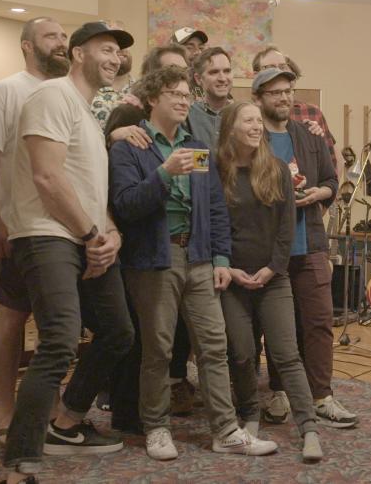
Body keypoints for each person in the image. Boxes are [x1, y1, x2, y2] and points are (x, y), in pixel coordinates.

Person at [108, 66, 277, 460]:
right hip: (154, 259)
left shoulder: (197, 144)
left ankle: (226, 430)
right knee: (159, 350)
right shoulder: (130, 148)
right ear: (153, 99)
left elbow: (215, 207)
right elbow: (126, 205)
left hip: (199, 256)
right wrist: (164, 174)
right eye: (174, 94)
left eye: (186, 94)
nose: (183, 100)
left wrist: (220, 256)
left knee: (215, 346)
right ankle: (157, 428)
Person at [1, 22, 136, 484]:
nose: (115, 58)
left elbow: (91, 191)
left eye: (119, 53)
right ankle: (21, 457)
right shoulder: (52, 96)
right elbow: (47, 178)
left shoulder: (89, 115)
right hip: (47, 235)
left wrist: (110, 232)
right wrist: (91, 235)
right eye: (106, 48)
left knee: (118, 331)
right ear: (77, 53)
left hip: (85, 237)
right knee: (59, 339)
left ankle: (67, 420)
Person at [0, 16, 69, 447]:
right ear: (28, 46)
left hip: (62, 230)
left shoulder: (68, 94)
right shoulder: (4, 92)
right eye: (52, 36)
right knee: (10, 319)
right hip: (15, 227)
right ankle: (5, 410)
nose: (62, 43)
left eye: (65, 37)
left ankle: (50, 406)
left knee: (58, 326)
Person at [216, 101, 324, 462]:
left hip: (272, 278)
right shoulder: (217, 171)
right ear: (230, 128)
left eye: (257, 121)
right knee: (243, 354)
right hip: (231, 280)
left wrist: (273, 268)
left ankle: (309, 428)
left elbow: (285, 227)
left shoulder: (276, 169)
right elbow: (213, 225)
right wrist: (229, 268)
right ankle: (249, 417)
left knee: (287, 354)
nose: (256, 126)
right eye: (248, 120)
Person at [103, 43, 202, 429]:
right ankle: (133, 415)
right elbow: (123, 195)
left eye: (185, 88)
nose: (181, 94)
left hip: (189, 250)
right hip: (142, 246)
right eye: (171, 81)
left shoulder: (190, 136)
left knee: (185, 341)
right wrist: (114, 135)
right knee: (146, 340)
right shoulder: (129, 122)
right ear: (151, 90)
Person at [251, 68, 356, 428]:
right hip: (267, 249)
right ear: (259, 98)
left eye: (287, 91)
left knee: (318, 322)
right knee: (277, 329)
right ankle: (278, 392)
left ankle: (322, 396)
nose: (283, 98)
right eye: (275, 93)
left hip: (310, 242)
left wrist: (319, 193)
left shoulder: (308, 136)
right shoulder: (253, 140)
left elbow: (331, 180)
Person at [252, 47, 337, 173]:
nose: (277, 71)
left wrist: (326, 190)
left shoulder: (312, 113)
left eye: (282, 66)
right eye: (269, 67)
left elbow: (333, 161)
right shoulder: (249, 118)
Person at [91, 20, 135, 130]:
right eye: (109, 47)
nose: (120, 48)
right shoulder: (85, 92)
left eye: (123, 42)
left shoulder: (145, 90)